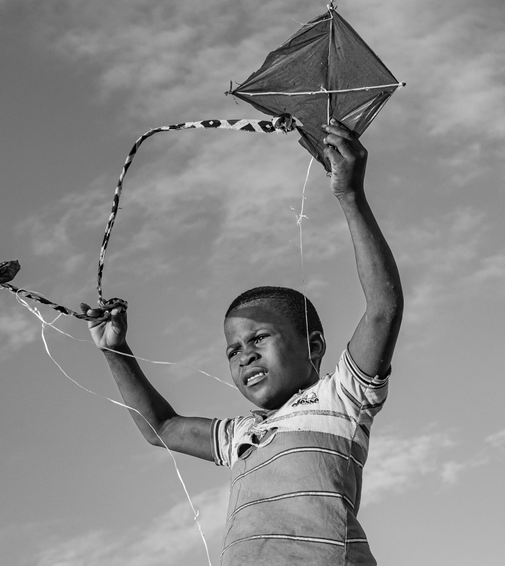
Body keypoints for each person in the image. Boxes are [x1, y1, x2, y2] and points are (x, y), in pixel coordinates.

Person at [81, 119, 403, 565]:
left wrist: (350, 196)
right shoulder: (242, 434)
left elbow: (383, 309)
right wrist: (115, 349)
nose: (244, 354)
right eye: (233, 350)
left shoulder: (341, 397)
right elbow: (163, 429)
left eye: (259, 338)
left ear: (313, 347)